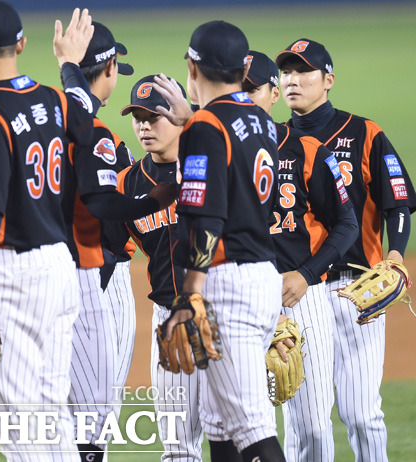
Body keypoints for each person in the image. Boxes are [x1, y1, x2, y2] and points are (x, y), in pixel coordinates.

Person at [0, 2, 96, 460]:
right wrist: (69, 63)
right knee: (51, 415)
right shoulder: (52, 97)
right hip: (59, 270)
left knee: (19, 427)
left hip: (12, 278)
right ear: (23, 44)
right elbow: (84, 119)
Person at [276, 38, 416, 462]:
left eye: (303, 71)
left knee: (360, 414)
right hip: (300, 292)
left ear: (328, 79)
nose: (292, 80)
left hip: (358, 291)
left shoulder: (363, 132)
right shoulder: (275, 142)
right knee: (305, 424)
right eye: (285, 72)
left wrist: (396, 255)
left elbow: (399, 200)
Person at [155, 20, 285, 461]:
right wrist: (194, 121)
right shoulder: (260, 119)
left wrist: (190, 291)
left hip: (227, 281)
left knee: (252, 428)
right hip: (264, 274)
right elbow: (230, 145)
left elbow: (208, 216)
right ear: (244, 66)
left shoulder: (205, 128)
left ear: (191, 67)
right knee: (219, 422)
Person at [57, 22, 177, 461]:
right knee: (95, 417)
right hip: (97, 280)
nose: (145, 128)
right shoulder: (106, 145)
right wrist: (155, 201)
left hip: (41, 276)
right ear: (108, 68)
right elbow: (107, 213)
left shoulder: (42, 122)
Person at [245, 50, 359, 461]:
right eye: (235, 90)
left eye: (252, 90)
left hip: (301, 297)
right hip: (240, 297)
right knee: (243, 424)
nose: (243, 99)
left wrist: (307, 274)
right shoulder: (214, 151)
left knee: (311, 423)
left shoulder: (307, 150)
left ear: (272, 94)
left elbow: (347, 224)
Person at [117, 74, 204, 460]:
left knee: (238, 437)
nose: (144, 126)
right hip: (168, 318)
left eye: (154, 116)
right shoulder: (126, 184)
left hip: (222, 313)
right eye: (138, 117)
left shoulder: (212, 163)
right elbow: (108, 253)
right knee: (177, 449)